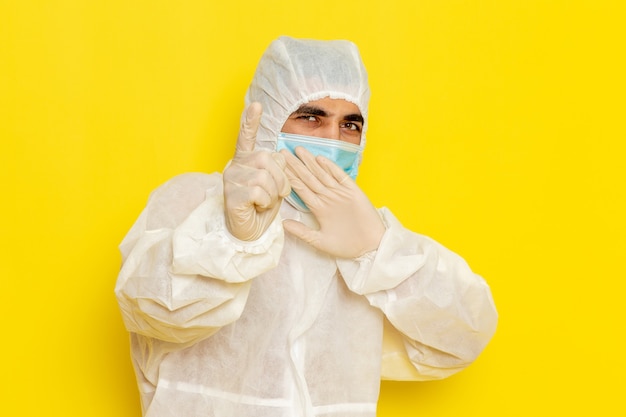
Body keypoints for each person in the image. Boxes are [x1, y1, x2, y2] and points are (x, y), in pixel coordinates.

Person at [115, 36, 498, 417]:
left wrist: (378, 252)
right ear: (267, 118)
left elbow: (462, 338)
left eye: (349, 125)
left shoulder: (361, 229)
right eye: (311, 118)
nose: (333, 141)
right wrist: (231, 238)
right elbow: (153, 314)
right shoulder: (195, 203)